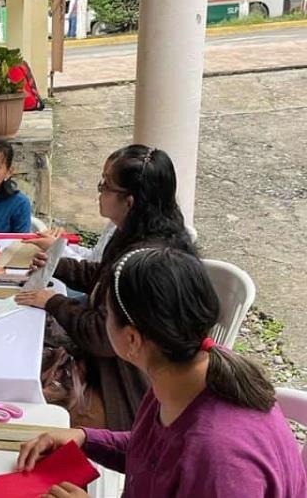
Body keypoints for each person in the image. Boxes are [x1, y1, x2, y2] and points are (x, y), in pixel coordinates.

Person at [17, 248, 307, 498]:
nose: (99, 321)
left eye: (105, 314)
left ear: (131, 340)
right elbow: (154, 455)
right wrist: (84, 438)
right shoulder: (183, 370)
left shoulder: (220, 460)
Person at [15, 145, 196, 431]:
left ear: (130, 202)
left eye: (106, 185)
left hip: (126, 394)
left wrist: (54, 302)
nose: (99, 191)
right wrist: (56, 265)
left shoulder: (145, 263)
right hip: (108, 369)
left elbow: (102, 336)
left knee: (24, 397)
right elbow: (101, 274)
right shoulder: (134, 235)